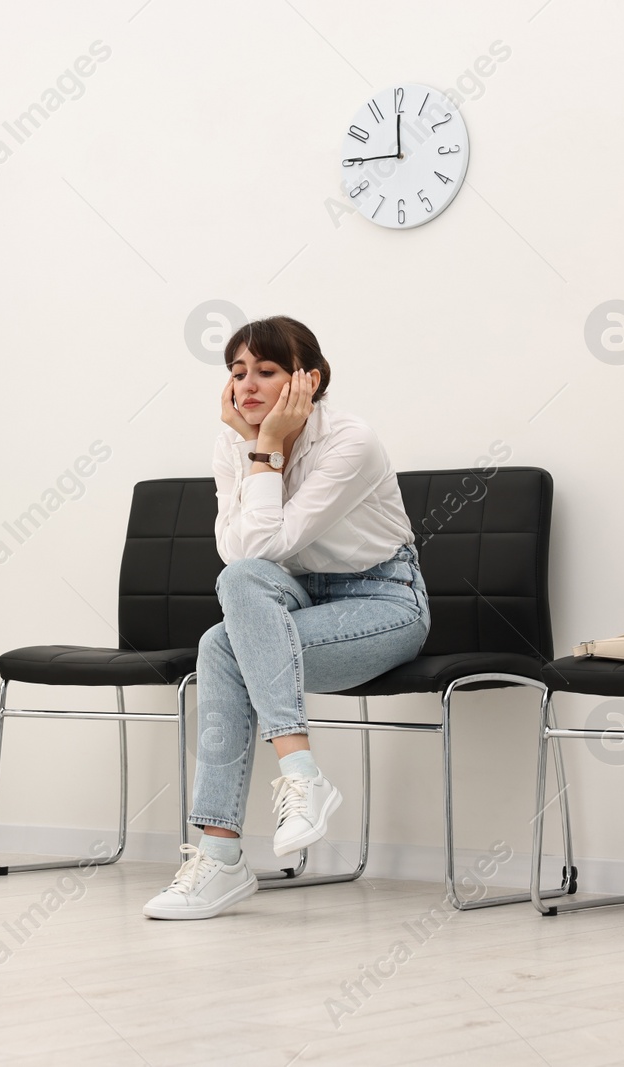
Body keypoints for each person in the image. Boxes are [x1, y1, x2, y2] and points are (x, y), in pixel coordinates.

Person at [143, 315, 431, 920]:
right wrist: (259, 446)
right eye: (237, 372)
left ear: (310, 380)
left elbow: (271, 542)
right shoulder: (231, 443)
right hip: (295, 600)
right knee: (237, 589)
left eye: (267, 372)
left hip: (382, 603)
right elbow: (243, 557)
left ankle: (229, 851)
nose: (247, 387)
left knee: (222, 645)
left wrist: (268, 447)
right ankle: (286, 788)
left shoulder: (350, 441)